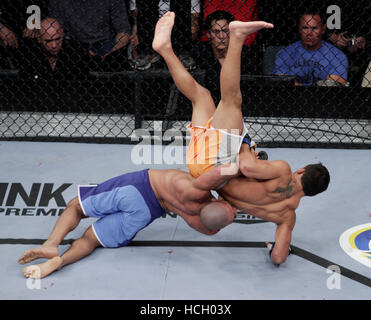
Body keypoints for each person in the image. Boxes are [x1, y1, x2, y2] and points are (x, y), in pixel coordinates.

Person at [153, 12, 330, 265]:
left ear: (302, 170)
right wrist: (276, 250)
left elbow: (245, 166)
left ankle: (236, 37)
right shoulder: (287, 217)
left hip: (217, 164)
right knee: (201, 96)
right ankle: (164, 48)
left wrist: (245, 144)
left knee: (232, 101)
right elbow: (278, 257)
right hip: (202, 168)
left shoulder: (283, 171)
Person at [18, 166, 237, 279]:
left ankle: (51, 245)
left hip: (137, 189)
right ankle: (60, 262)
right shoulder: (196, 221)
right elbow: (213, 226)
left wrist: (240, 165)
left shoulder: (196, 188)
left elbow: (221, 171)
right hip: (146, 213)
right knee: (91, 239)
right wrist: (230, 208)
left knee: (76, 206)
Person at [48, 0, 132, 70]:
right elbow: (55, 28)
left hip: (104, 42)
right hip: (73, 43)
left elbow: (123, 31)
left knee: (114, 60)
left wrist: (112, 52)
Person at [272, 10, 348, 86]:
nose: (309, 33)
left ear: (323, 29)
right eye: (305, 28)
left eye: (314, 28)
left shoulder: (338, 56)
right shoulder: (285, 53)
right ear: (299, 29)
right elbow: (280, 85)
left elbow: (334, 87)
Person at [17, 18, 90, 81]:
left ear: (62, 34)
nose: (54, 45)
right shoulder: (30, 56)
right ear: (39, 39)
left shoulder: (77, 53)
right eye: (48, 41)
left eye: (57, 39)